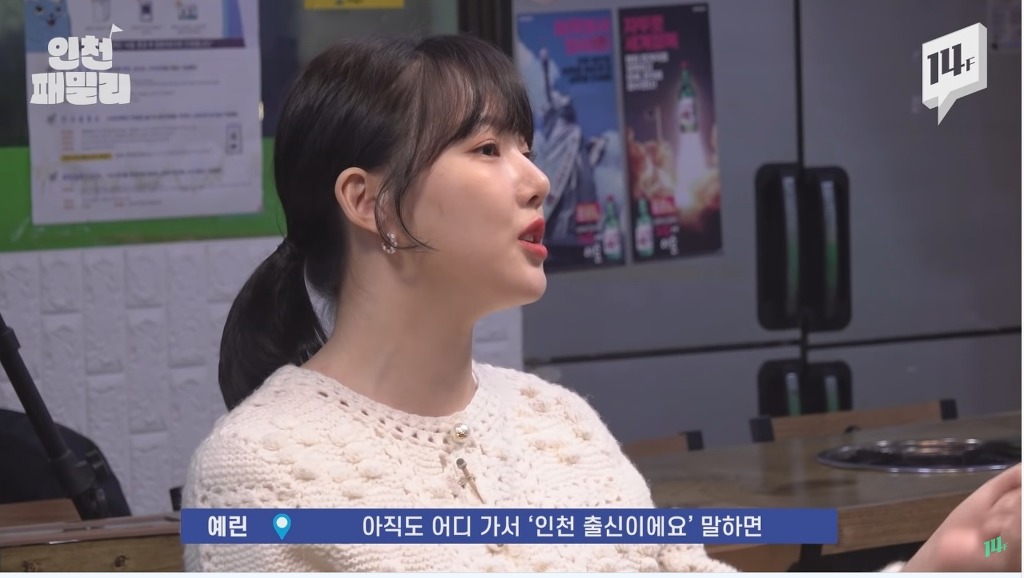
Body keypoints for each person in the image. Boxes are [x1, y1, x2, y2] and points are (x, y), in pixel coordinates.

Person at [182, 34, 1021, 573]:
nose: (537, 179)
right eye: (487, 148)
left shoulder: (557, 420)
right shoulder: (260, 470)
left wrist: (932, 567)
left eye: (525, 146)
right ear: (368, 203)